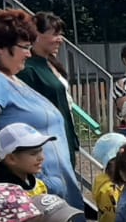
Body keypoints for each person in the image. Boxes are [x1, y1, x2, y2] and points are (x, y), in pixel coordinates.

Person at [0, 9, 81, 209]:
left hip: (40, 194)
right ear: (1, 47)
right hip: (19, 199)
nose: (29, 54)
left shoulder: (3, 75)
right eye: (25, 47)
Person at [17, 12, 80, 156]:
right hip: (47, 143)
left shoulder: (50, 63)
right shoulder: (28, 69)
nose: (60, 40)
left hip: (64, 134)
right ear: (36, 35)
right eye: (55, 34)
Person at [0, 122, 54, 195]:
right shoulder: (2, 195)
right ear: (11, 158)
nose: (41, 158)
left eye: (41, 151)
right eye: (33, 153)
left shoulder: (39, 185)